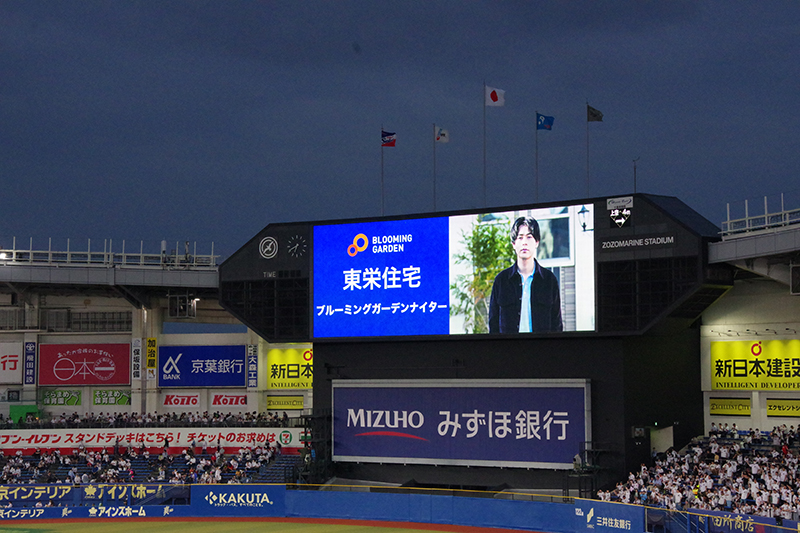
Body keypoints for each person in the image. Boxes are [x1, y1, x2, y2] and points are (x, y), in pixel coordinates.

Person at [488, 216, 563, 333]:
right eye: (520, 237)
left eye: (529, 237)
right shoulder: (501, 281)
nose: (524, 243)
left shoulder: (549, 280)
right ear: (513, 244)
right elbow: (493, 325)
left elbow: (556, 324)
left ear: (537, 242)